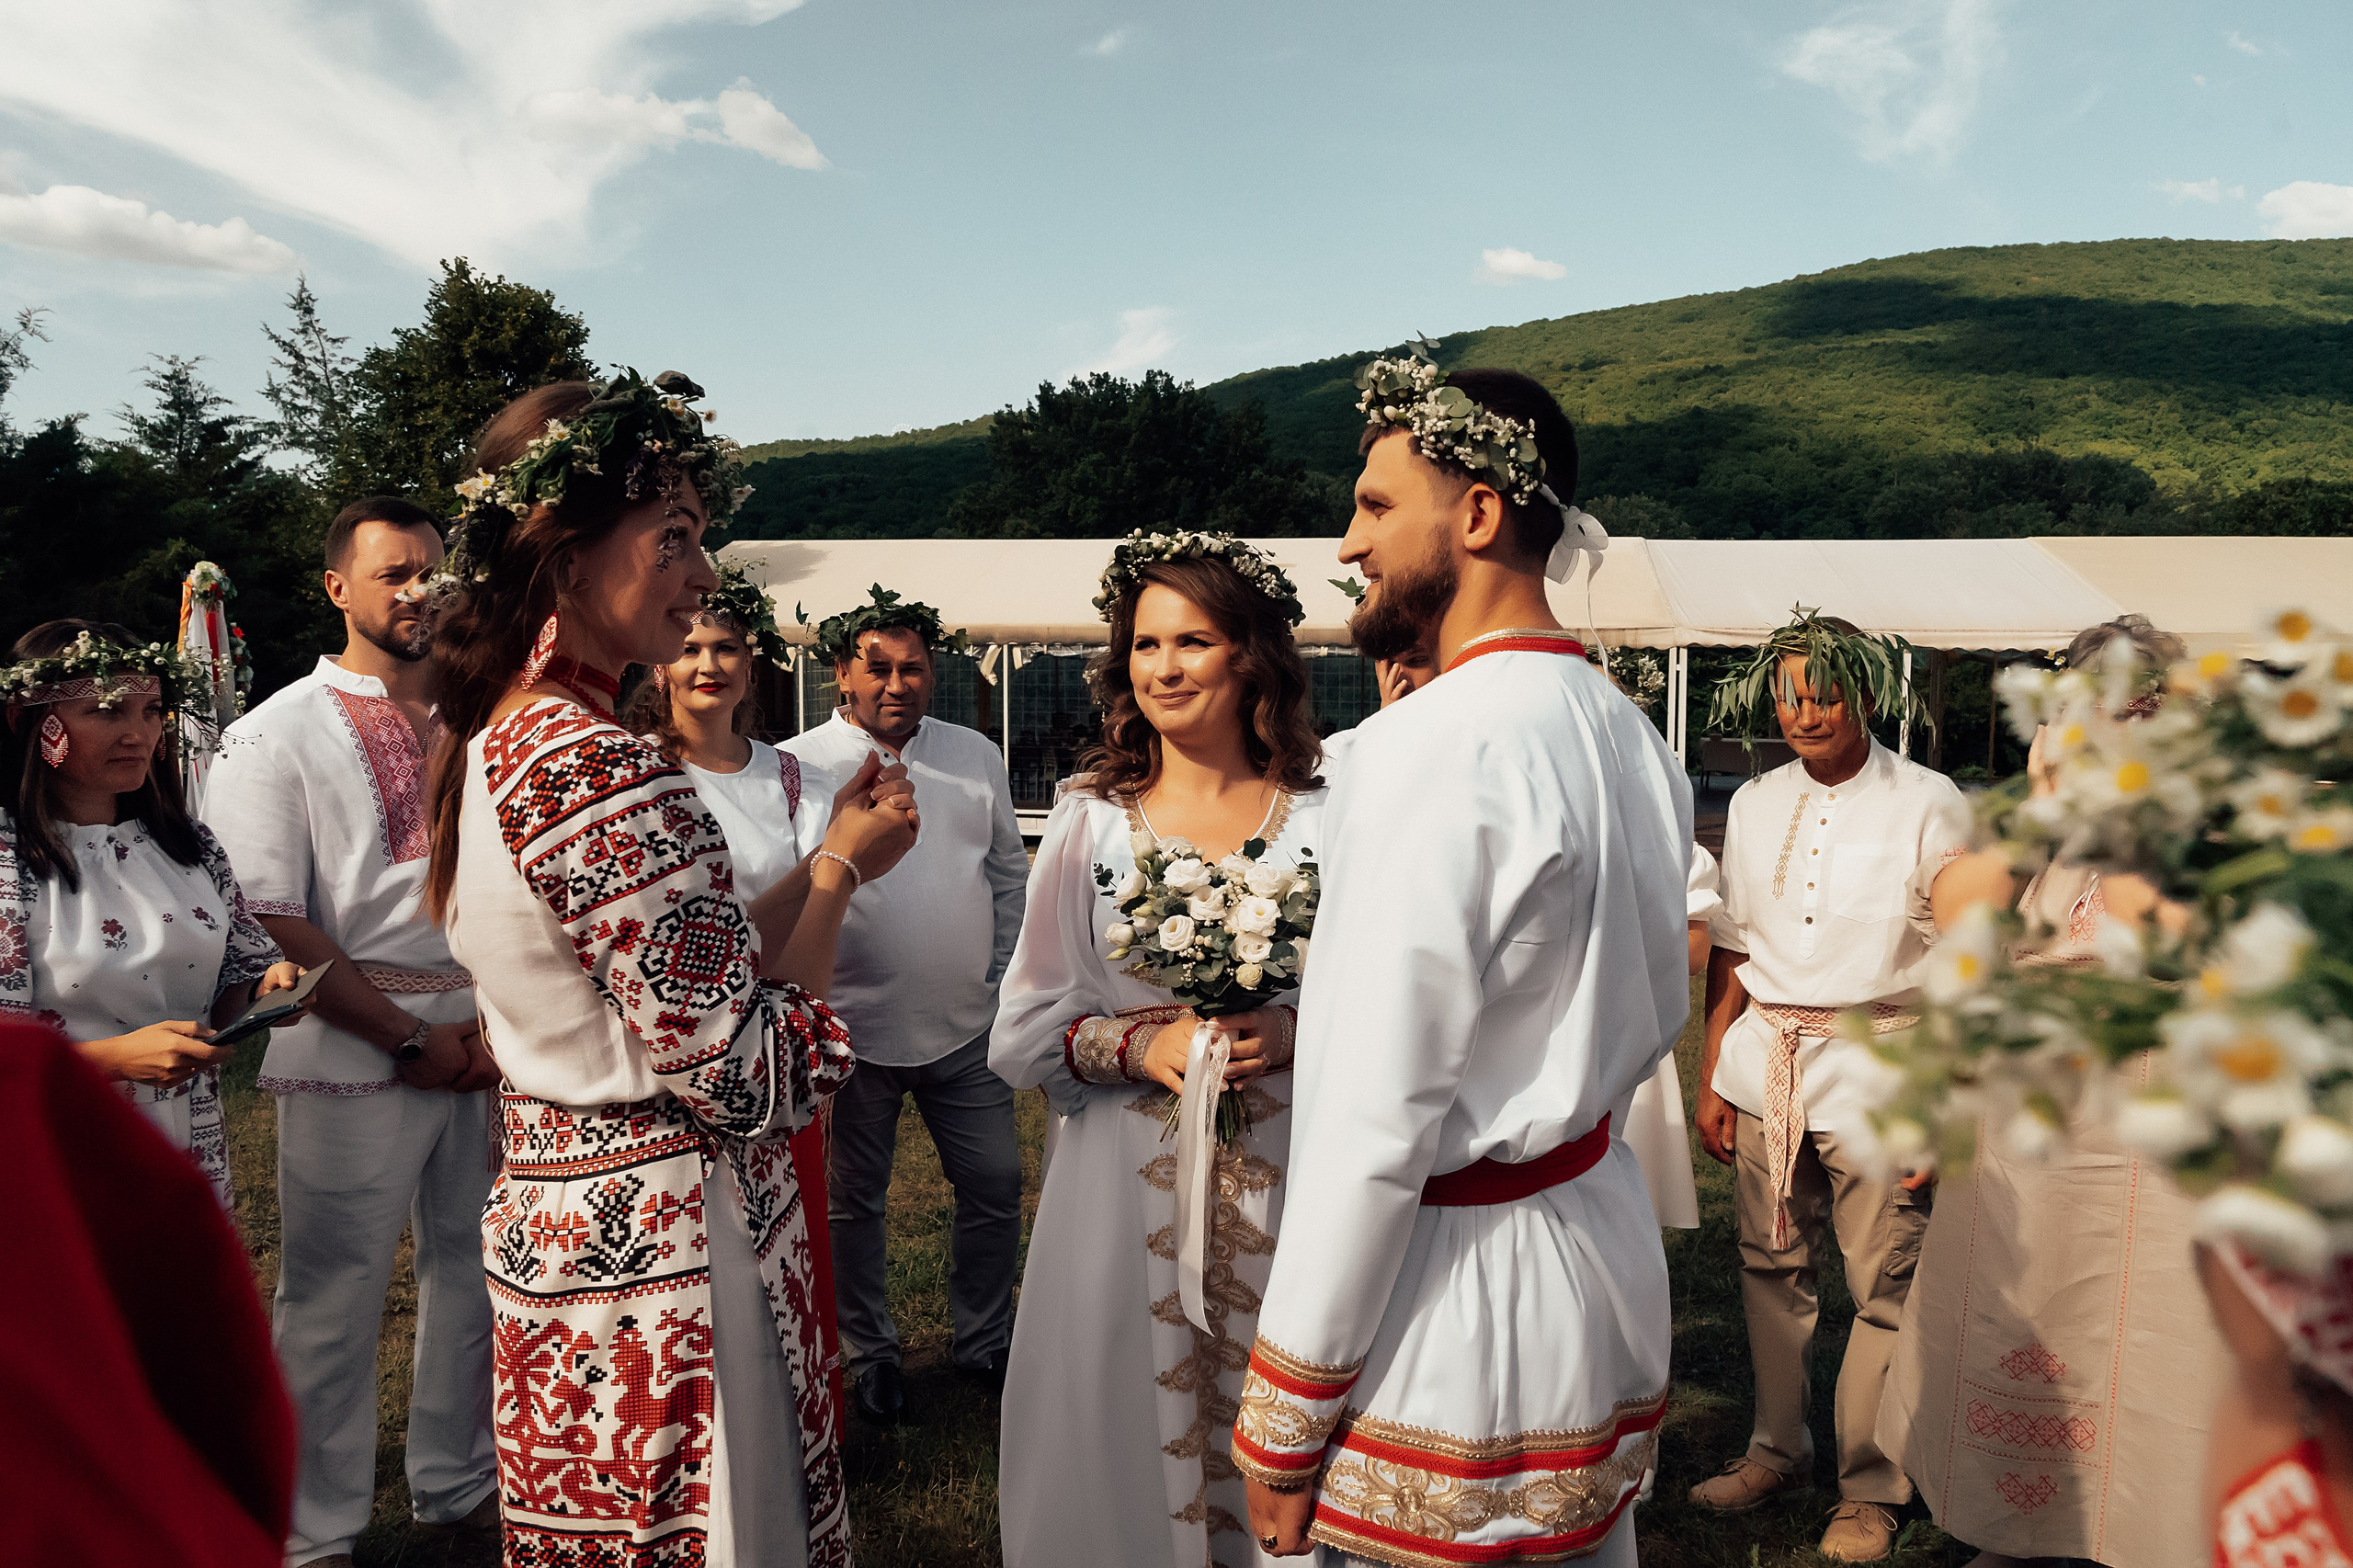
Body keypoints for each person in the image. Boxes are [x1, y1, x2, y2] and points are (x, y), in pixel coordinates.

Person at [421, 370, 918, 1566]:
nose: (704, 573)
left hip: (564, 1248)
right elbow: (740, 1076)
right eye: (677, 536)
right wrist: (842, 874)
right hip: (675, 1276)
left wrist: (815, 866)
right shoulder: (601, 766)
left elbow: (656, 962)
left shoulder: (500, 738)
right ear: (567, 550)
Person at [1236, 351, 1688, 1566]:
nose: (1346, 545)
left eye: (1376, 505)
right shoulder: (1631, 734)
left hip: (1452, 1308)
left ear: (1479, 514)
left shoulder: (1422, 750)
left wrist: (1287, 1417)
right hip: (1593, 1247)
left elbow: (1372, 1116)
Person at [993, 531, 1327, 1568]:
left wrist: (1288, 1028)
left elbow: (1390, 1009)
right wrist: (1140, 1044)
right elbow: (1022, 1028)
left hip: (1291, 1170)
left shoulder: (1328, 820)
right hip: (1115, 1188)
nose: (1165, 667)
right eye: (1145, 644)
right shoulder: (1089, 823)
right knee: (1125, 1417)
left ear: (1252, 657)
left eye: (1193, 640)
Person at [1876, 615, 2222, 1568]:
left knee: (2146, 1352)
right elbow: (1956, 911)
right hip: (2023, 1155)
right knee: (2014, 1328)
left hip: (2154, 1166)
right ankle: (2015, 1528)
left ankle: (2140, 1531)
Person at [204, 496, 500, 1567]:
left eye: (430, 569)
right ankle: (311, 1528)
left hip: (487, 1037)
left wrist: (485, 1025)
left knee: (477, 1269)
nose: (417, 588)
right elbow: (269, 911)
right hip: (349, 1043)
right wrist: (405, 1036)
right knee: (333, 1293)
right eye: (392, 572)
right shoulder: (274, 729)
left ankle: (456, 1478)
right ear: (338, 587)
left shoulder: (483, 715)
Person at [1687, 607, 1971, 1562]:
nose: (1804, 712)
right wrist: (1713, 1067)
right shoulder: (1757, 799)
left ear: (1867, 690)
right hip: (1766, 1062)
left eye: (1824, 692)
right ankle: (1775, 1447)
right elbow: (1730, 942)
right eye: (1788, 694)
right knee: (1770, 1267)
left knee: (1883, 1283)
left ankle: (1870, 1484)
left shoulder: (1932, 801)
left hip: (1885, 1067)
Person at [785, 584, 1027, 1423]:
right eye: (877, 668)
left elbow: (1005, 875)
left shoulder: (974, 755)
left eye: (913, 668)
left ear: (934, 674)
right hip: (852, 1030)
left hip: (967, 1027)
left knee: (996, 1182)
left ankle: (985, 1338)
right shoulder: (796, 764)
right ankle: (870, 1354)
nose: (896, 684)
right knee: (854, 1201)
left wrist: (1000, 980)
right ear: (841, 675)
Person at [621, 559, 845, 1424]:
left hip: (787, 1014)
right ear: (660, 665)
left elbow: (827, 895)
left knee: (801, 1216)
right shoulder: (644, 777)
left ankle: (809, 1397)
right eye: (690, 646)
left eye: (727, 647)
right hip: (686, 1035)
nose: (707, 663)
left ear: (754, 664)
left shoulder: (794, 780)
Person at [0, 619, 304, 1207]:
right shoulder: (8, 859)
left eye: (150, 711)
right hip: (56, 1159)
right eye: (109, 711)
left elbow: (233, 983)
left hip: (183, 1148)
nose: (138, 734)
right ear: (28, 720)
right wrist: (114, 1060)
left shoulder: (187, 844)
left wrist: (268, 993)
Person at [0, 1018, 297, 1568]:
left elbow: (209, 1349)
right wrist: (109, 1058)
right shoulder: (26, 1078)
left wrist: (257, 996)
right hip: (62, 1140)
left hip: (175, 1107)